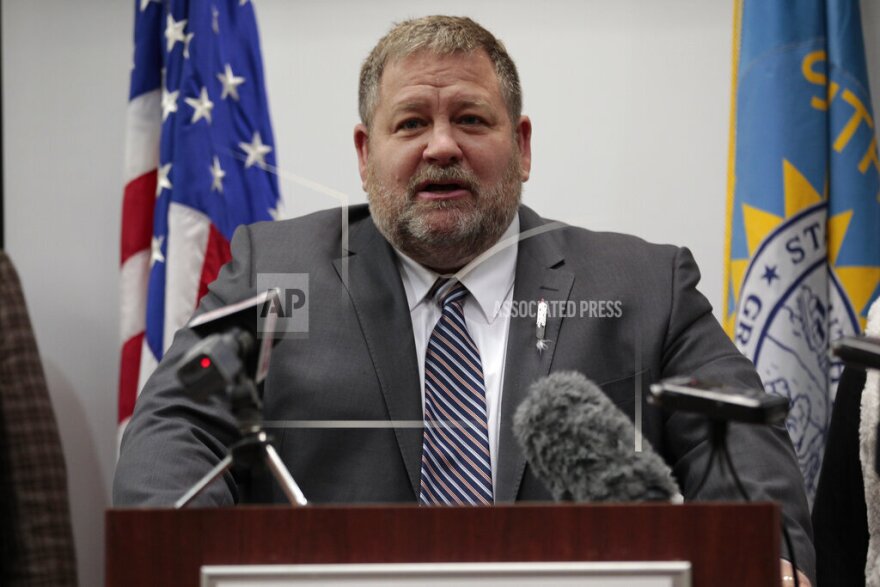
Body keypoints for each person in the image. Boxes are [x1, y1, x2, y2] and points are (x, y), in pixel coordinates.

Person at [114, 15, 814, 585]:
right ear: (365, 153)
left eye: (472, 120)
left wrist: (770, 561)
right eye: (411, 123)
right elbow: (178, 424)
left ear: (522, 145)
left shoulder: (640, 283)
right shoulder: (278, 272)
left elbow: (741, 442)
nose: (441, 146)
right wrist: (183, 556)